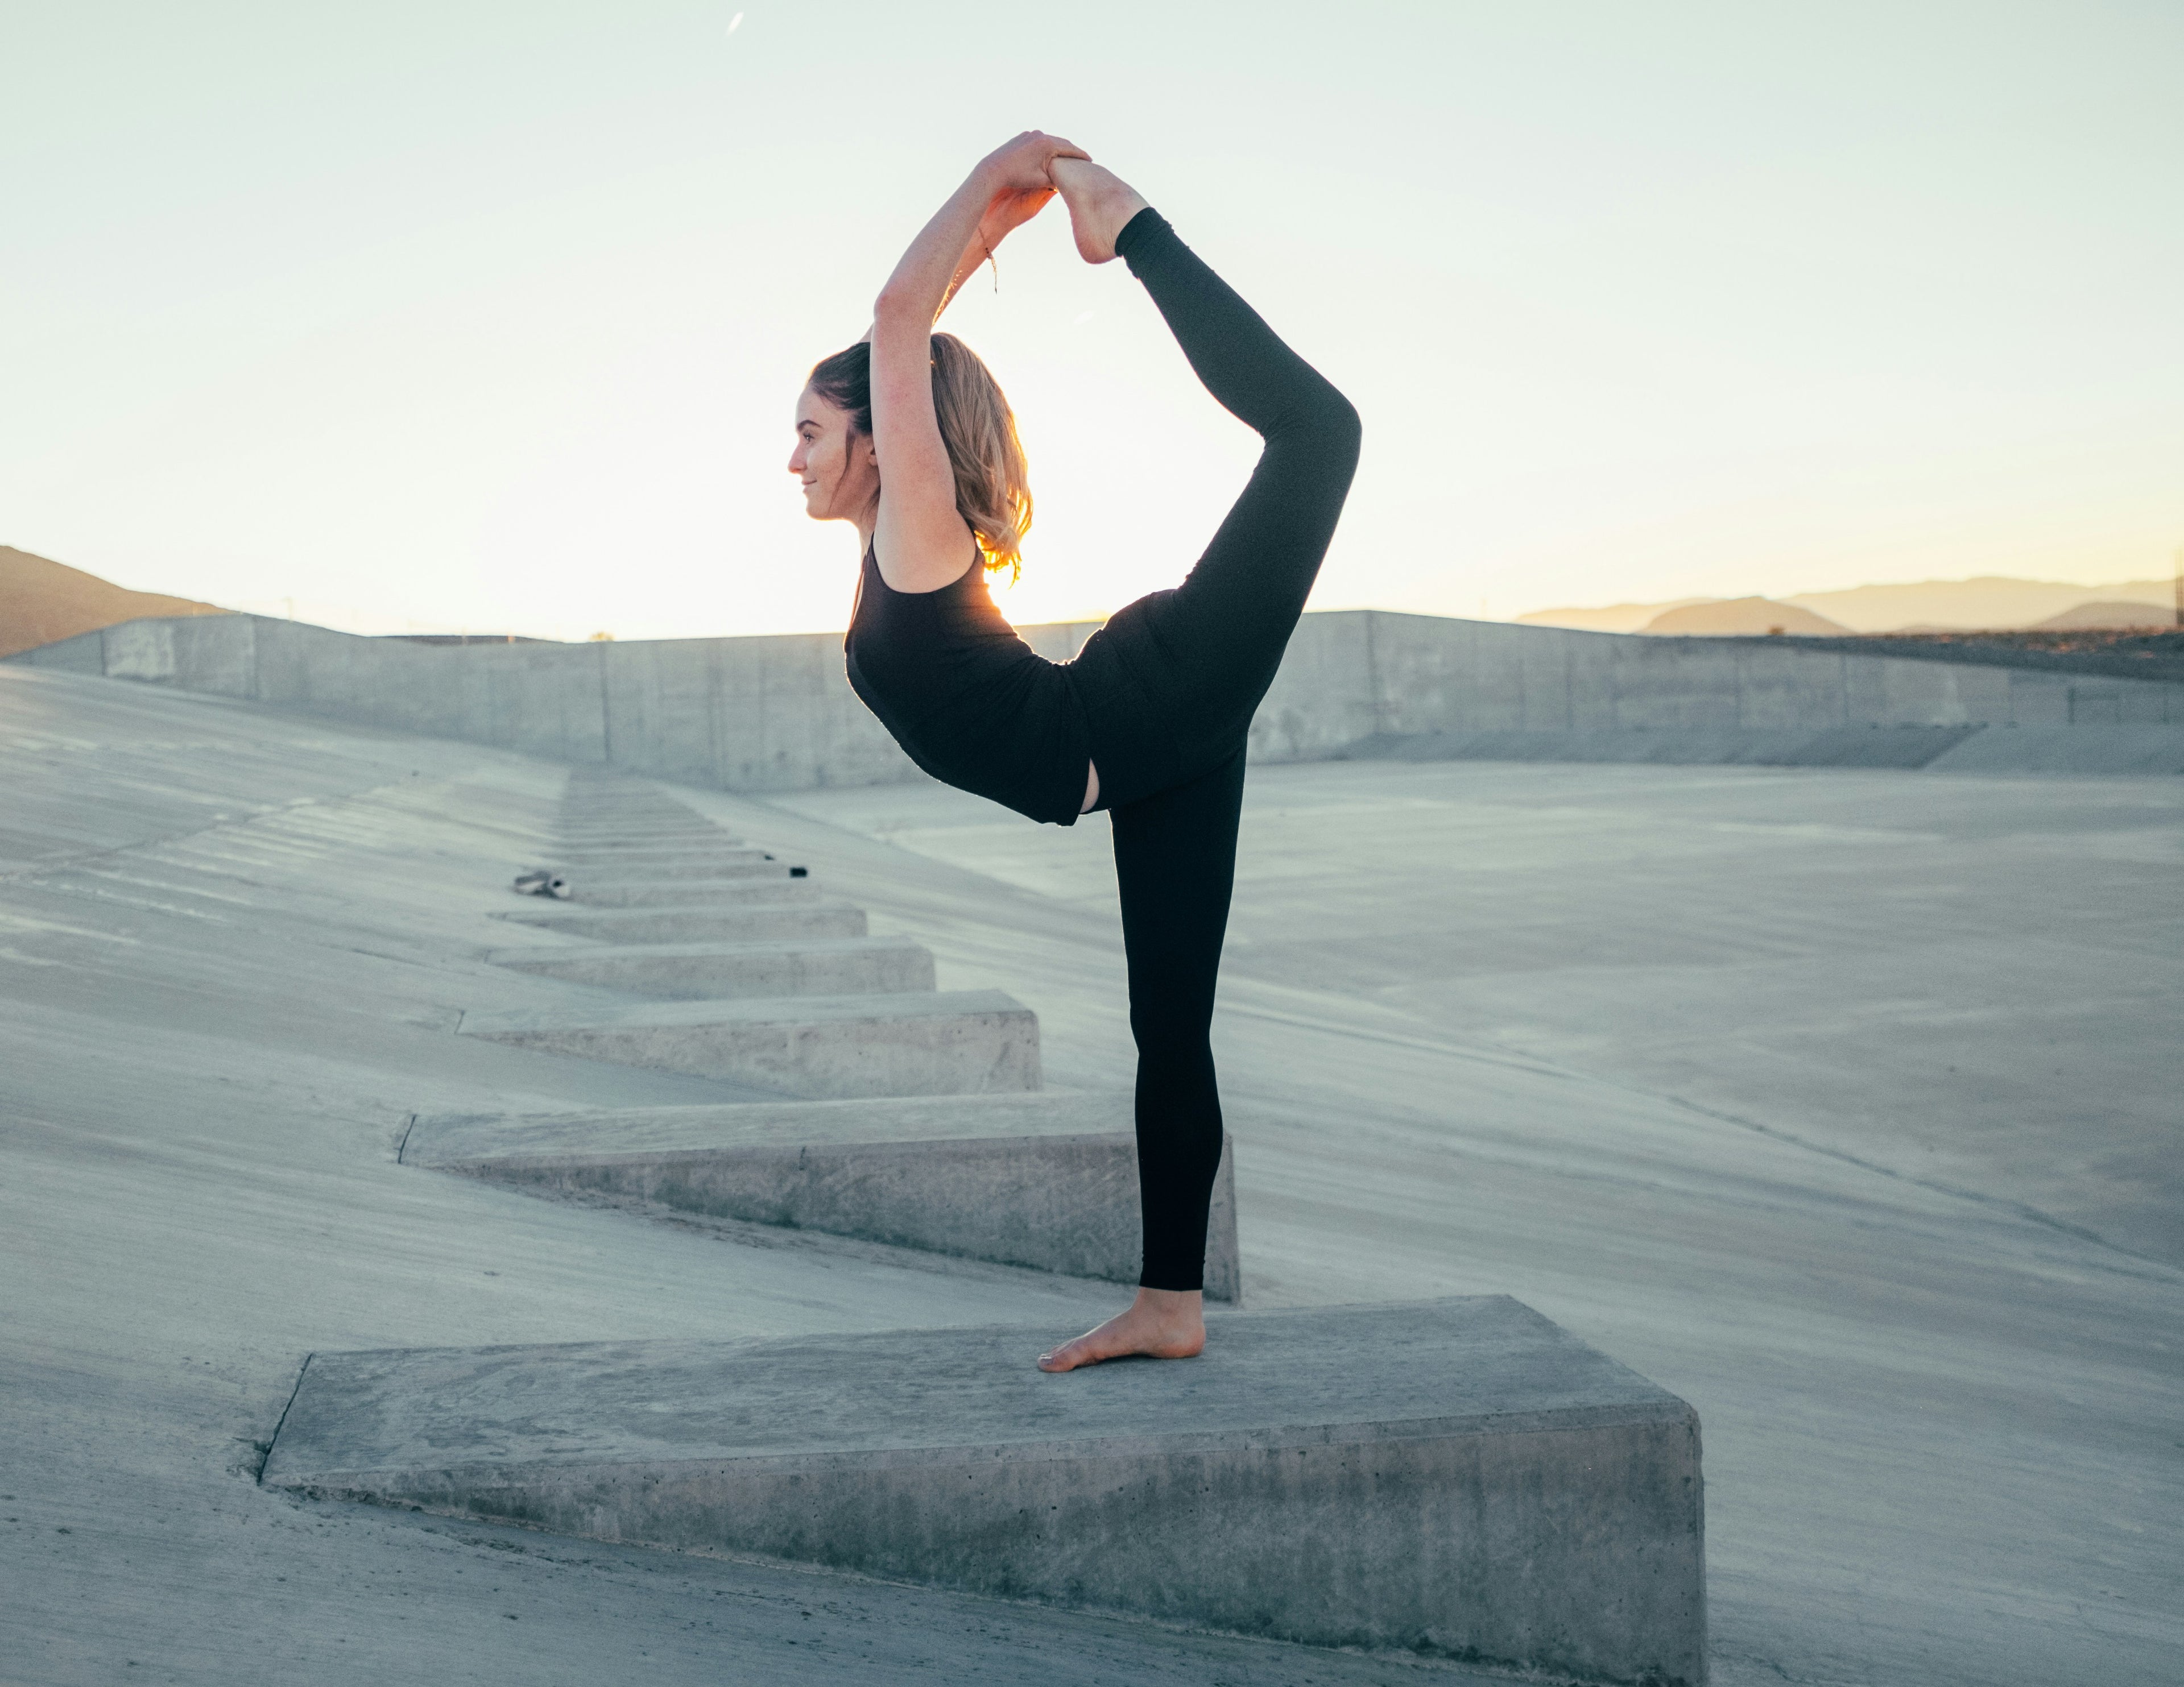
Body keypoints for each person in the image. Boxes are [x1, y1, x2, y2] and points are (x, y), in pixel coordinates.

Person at [788, 132, 1360, 1371]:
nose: (792, 454)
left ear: (880, 440)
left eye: (810, 429)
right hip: (1147, 753)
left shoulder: (918, 535)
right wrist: (998, 221)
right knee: (1173, 1027)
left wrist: (1016, 178)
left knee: (1322, 433)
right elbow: (912, 342)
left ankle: (1133, 228)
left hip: (1149, 704)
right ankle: (1171, 1302)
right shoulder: (890, 555)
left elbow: (900, 320)